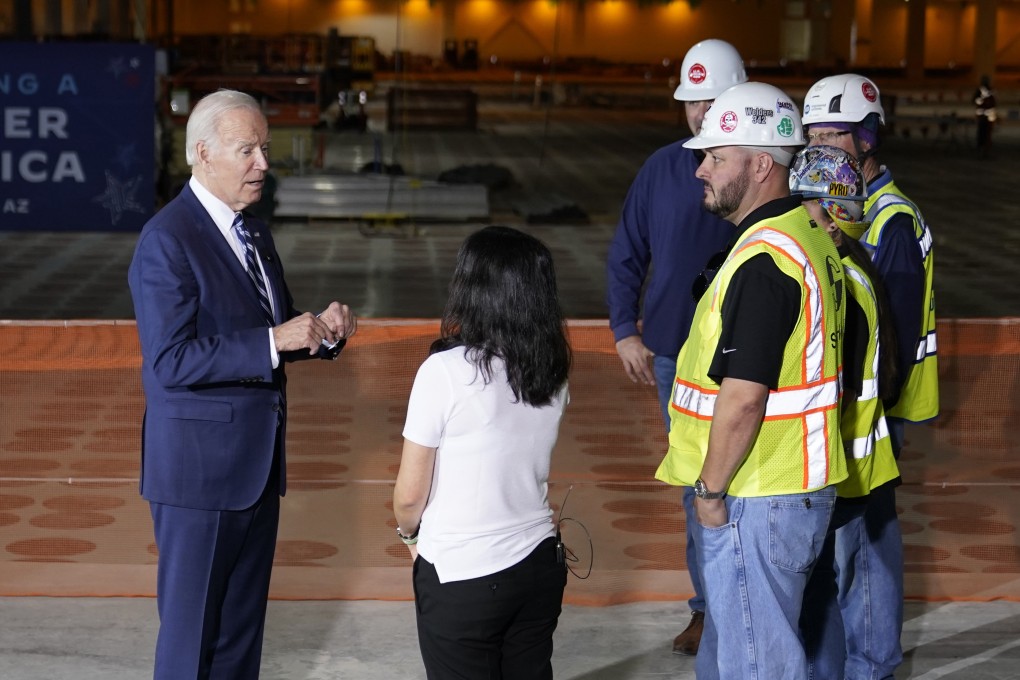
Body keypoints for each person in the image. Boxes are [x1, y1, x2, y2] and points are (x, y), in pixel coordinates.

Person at [128, 89, 358, 680]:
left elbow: (265, 340)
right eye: (247, 149)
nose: (263, 163)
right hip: (199, 477)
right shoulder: (167, 239)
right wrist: (275, 340)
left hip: (255, 473)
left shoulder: (251, 233)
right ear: (201, 153)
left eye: (265, 148)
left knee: (238, 639)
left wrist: (319, 335)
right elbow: (171, 360)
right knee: (190, 641)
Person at [654, 81, 848, 680]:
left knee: (755, 665)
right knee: (735, 655)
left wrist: (709, 494)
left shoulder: (766, 261)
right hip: (785, 487)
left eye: (715, 157)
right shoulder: (806, 235)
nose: (700, 171)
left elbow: (743, 398)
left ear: (761, 164)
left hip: (757, 493)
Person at [605, 38, 746, 655]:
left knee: (749, 481)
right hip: (671, 354)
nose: (699, 111)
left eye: (712, 99)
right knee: (700, 482)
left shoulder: (758, 168)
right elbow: (626, 252)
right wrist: (624, 330)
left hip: (747, 353)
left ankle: (749, 603)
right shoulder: (662, 168)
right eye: (693, 100)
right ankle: (706, 609)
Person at [802, 73, 939, 680]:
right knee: (847, 545)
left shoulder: (893, 223)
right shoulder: (848, 212)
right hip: (852, 409)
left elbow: (898, 337)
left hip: (878, 412)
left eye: (831, 136)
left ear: (865, 138)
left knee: (867, 544)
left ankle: (874, 665)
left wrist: (873, 407)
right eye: (812, 138)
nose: (820, 150)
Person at [394, 225, 571, 680]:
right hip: (538, 564)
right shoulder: (552, 372)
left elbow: (411, 495)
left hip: (462, 575)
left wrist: (410, 538)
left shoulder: (445, 371)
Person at [788, 145, 902, 680]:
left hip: (833, 466)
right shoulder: (861, 271)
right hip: (860, 463)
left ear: (831, 219)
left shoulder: (837, 285)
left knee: (817, 593)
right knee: (836, 584)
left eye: (804, 210)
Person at [974, 75, 997, 157]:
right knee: (984, 133)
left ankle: (984, 149)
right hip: (984, 116)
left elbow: (993, 102)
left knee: (985, 133)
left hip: (985, 116)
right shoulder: (984, 91)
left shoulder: (985, 91)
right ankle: (983, 149)